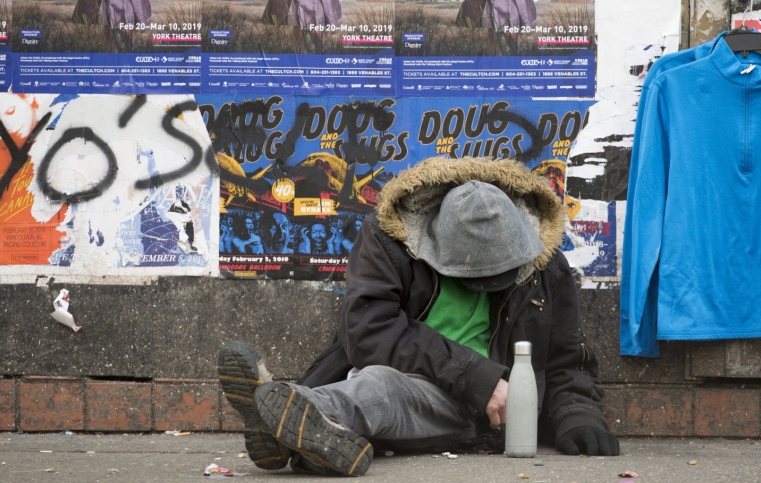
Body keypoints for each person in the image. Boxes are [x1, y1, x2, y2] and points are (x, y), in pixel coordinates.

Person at [218, 157, 618, 476]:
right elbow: (368, 332)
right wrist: (479, 377)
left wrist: (576, 416)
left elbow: (566, 359)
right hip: (415, 381)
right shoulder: (391, 242)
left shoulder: (545, 264)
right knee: (378, 383)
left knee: (380, 388)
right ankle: (298, 425)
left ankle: (286, 418)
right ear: (435, 245)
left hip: (483, 414)